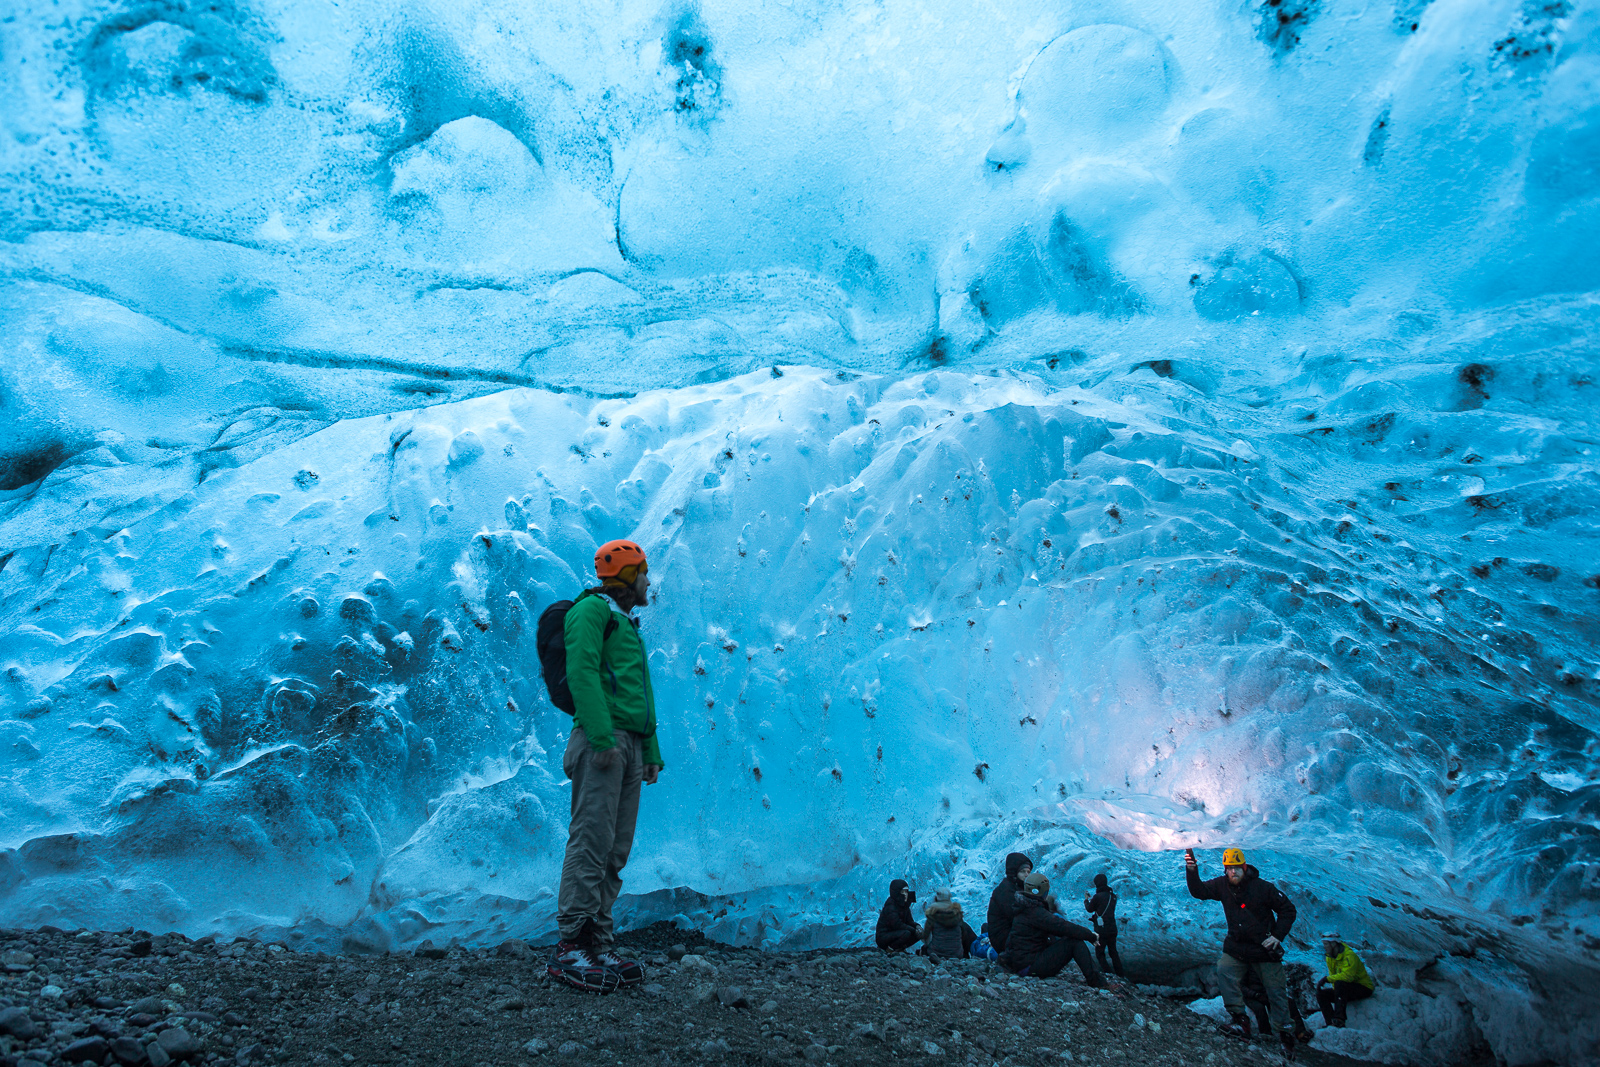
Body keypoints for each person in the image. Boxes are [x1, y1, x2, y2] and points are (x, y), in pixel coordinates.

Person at [547, 540, 664, 993]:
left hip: (628, 744)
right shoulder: (591, 611)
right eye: (644, 573)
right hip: (603, 741)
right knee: (591, 841)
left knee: (615, 849)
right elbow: (582, 673)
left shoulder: (626, 623)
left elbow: (641, 692)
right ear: (628, 576)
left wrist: (650, 750)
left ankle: (598, 943)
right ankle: (570, 947)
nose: (649, 582)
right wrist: (600, 738)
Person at [1186, 847, 1299, 1059]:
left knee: (1275, 991)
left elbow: (1288, 909)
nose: (1233, 872)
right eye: (1229, 868)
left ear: (1244, 867)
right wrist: (1192, 870)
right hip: (1237, 948)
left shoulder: (1263, 888)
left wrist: (1277, 935)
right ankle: (1240, 1020)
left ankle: (1285, 1035)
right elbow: (1199, 891)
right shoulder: (1222, 885)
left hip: (1263, 950)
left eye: (1236, 868)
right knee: (1224, 970)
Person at [1002, 873, 1108, 987]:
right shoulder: (1035, 912)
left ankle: (1096, 980)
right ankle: (1097, 982)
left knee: (1063, 939)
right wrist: (1090, 936)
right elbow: (1063, 926)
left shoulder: (1023, 908)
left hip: (1022, 963)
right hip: (1030, 967)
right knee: (1074, 942)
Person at [1315, 932, 1374, 1027]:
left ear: (1333, 944)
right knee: (1321, 994)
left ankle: (1339, 1019)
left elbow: (1348, 977)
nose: (1324, 947)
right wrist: (1337, 993)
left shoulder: (1349, 955)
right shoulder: (1330, 957)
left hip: (1364, 987)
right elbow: (1333, 975)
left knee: (1340, 983)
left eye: (1326, 944)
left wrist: (1327, 979)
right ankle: (1330, 1023)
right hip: (1345, 989)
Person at [987, 852, 1033, 953]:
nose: (1027, 875)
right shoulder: (1006, 890)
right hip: (1003, 939)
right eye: (1023, 871)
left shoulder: (1018, 887)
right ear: (1014, 872)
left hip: (1011, 935)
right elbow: (1020, 916)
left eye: (1028, 872)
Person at [1084, 873, 1124, 977]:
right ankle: (1120, 975)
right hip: (1112, 929)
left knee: (1099, 953)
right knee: (1113, 953)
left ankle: (1109, 974)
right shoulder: (1113, 896)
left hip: (1101, 931)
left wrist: (1086, 900)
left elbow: (1089, 909)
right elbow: (1106, 911)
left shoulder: (1098, 896)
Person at [922, 888, 978, 960]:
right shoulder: (957, 915)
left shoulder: (932, 915)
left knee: (924, 948)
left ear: (936, 899)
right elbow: (963, 935)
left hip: (936, 954)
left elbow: (926, 936)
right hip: (957, 954)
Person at [877, 879, 923, 952]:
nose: (906, 894)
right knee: (906, 933)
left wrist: (917, 926)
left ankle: (900, 948)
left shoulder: (904, 905)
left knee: (920, 933)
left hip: (896, 933)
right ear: (896, 892)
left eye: (906, 891)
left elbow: (909, 921)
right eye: (903, 891)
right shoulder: (890, 905)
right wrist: (914, 930)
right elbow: (896, 925)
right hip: (883, 936)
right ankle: (890, 949)